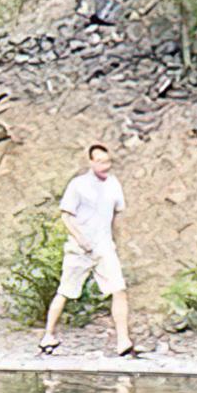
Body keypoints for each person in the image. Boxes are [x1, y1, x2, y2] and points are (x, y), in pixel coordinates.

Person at [38, 144, 135, 356]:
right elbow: (66, 215)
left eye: (107, 161)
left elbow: (117, 215)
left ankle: (123, 340)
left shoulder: (113, 185)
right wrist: (80, 239)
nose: (104, 166)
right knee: (65, 291)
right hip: (79, 249)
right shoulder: (78, 185)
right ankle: (48, 334)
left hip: (104, 247)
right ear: (91, 162)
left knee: (119, 289)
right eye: (100, 161)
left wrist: (116, 241)